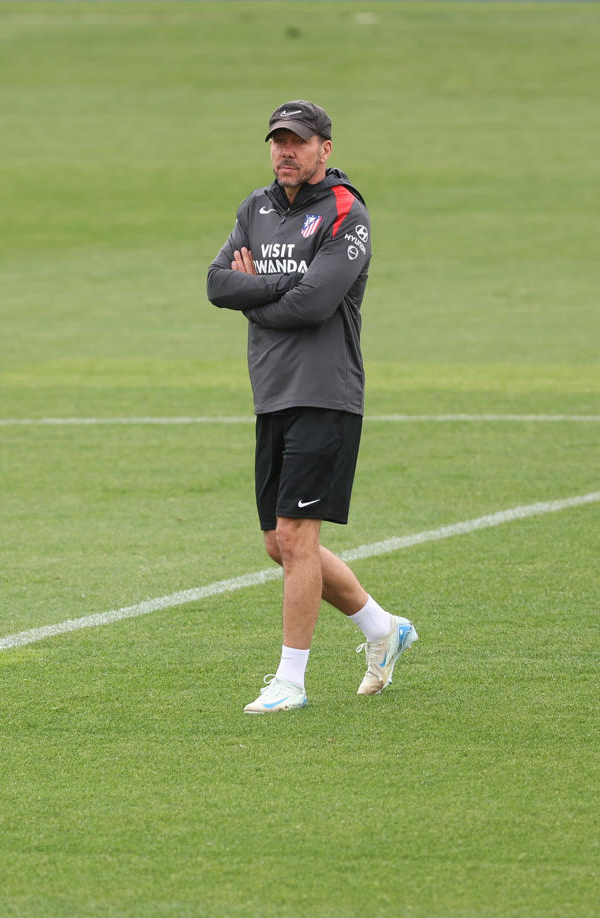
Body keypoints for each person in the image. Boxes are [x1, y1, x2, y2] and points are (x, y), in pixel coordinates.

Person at [206, 100, 416, 714]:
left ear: (325, 147)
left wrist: (257, 292)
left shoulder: (347, 212)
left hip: (326, 394)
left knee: (297, 538)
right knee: (278, 542)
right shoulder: (256, 207)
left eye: (297, 141)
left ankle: (290, 682)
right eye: (277, 141)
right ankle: (383, 629)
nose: (285, 152)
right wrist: (272, 288)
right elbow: (218, 282)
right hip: (271, 392)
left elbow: (314, 304)